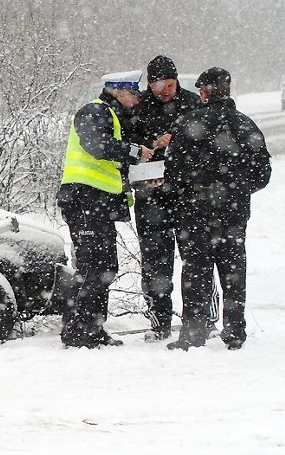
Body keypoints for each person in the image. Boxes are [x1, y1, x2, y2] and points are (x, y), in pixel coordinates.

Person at [164, 67, 271, 350]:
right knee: (233, 272)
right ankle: (235, 331)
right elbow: (263, 174)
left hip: (195, 211)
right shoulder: (245, 125)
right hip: (234, 213)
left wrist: (192, 188)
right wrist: (235, 190)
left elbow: (172, 171)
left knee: (196, 273)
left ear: (203, 92)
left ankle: (193, 334)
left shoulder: (188, 124)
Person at [57, 71, 154, 348]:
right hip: (85, 200)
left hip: (97, 203)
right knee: (92, 268)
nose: (136, 99)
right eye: (133, 93)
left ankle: (93, 329)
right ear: (118, 91)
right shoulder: (94, 110)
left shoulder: (112, 116)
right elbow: (97, 146)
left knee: (104, 267)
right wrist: (134, 151)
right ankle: (77, 332)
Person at [129, 54, 219, 342]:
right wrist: (151, 149)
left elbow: (210, 150)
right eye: (158, 85)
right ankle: (159, 322)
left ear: (177, 81)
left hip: (188, 196)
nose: (164, 91)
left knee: (197, 261)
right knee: (156, 263)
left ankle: (204, 319)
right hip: (150, 196)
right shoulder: (138, 107)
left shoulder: (194, 104)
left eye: (169, 84)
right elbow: (128, 147)